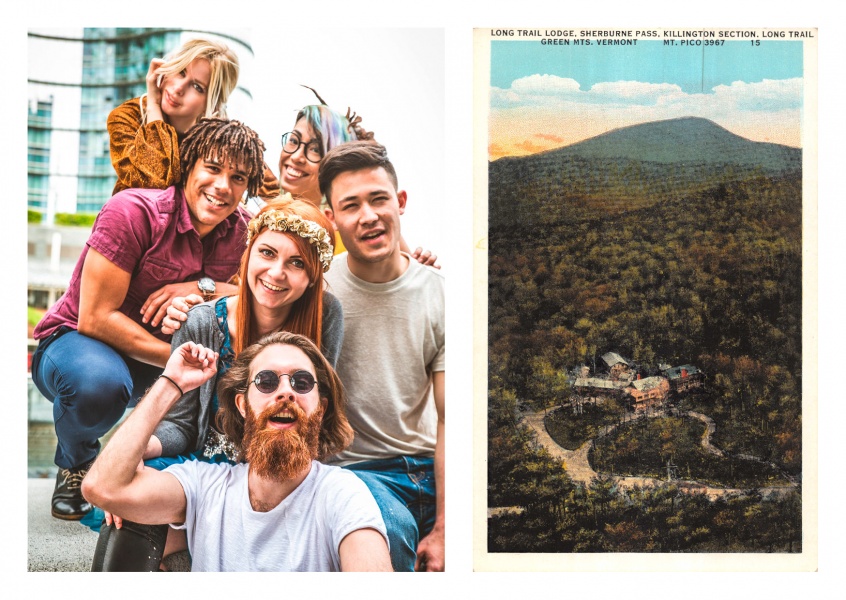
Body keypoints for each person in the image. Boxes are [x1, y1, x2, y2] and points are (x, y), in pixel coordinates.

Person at [88, 195, 344, 570]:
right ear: (248, 255)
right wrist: (142, 448)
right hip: (203, 465)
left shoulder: (326, 315)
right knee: (126, 512)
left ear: (312, 278)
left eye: (296, 263)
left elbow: (318, 417)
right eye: (268, 253)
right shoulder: (202, 322)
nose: (276, 273)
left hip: (279, 467)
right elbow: (180, 424)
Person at [30, 117, 267, 521]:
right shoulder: (133, 211)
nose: (224, 186)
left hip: (161, 361)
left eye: (238, 177)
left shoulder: (247, 234)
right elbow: (95, 318)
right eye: (212, 168)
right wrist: (180, 362)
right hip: (78, 345)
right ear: (189, 165)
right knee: (99, 386)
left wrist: (202, 285)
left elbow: (265, 287)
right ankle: (75, 462)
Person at [81, 334, 393, 572]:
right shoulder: (204, 485)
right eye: (267, 381)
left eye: (302, 382)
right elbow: (102, 487)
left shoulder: (342, 494)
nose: (286, 391)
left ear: (321, 409)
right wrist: (171, 384)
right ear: (243, 406)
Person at [317, 141, 445, 571]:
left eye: (378, 199)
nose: (368, 216)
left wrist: (445, 526)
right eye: (350, 206)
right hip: (360, 473)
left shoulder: (439, 292)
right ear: (332, 219)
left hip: (433, 465)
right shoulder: (318, 292)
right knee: (390, 539)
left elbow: (451, 419)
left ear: (400, 202)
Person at [263, 86, 436, 266]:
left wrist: (423, 272)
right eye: (293, 141)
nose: (297, 156)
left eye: (315, 149)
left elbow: (411, 272)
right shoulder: (265, 216)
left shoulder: (356, 225)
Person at [107, 38, 279, 198]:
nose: (179, 88)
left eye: (197, 87)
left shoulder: (220, 140)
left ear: (212, 102)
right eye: (181, 72)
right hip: (131, 226)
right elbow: (152, 183)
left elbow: (274, 195)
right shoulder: (128, 117)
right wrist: (153, 105)